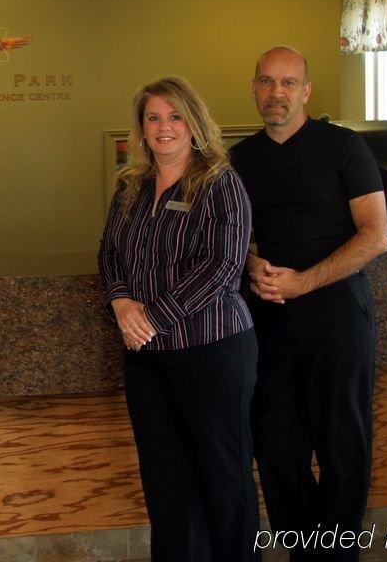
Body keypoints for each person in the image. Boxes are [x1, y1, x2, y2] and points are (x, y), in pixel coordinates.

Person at [229, 46, 387, 562]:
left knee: (344, 448)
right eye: (267, 82)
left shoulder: (344, 148)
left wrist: (305, 281)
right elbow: (236, 238)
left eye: (289, 83)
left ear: (306, 91)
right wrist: (253, 266)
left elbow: (375, 236)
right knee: (277, 450)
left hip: (338, 316)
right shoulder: (240, 159)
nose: (277, 93)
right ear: (254, 88)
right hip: (269, 320)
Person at [98, 76, 258, 562]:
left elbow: (224, 266)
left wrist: (153, 318)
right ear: (141, 129)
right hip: (148, 359)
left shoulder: (219, 181)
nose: (164, 127)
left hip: (212, 352)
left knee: (222, 474)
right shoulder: (131, 186)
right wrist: (123, 303)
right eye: (153, 118)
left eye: (175, 116)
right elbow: (109, 254)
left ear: (194, 123)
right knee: (166, 480)